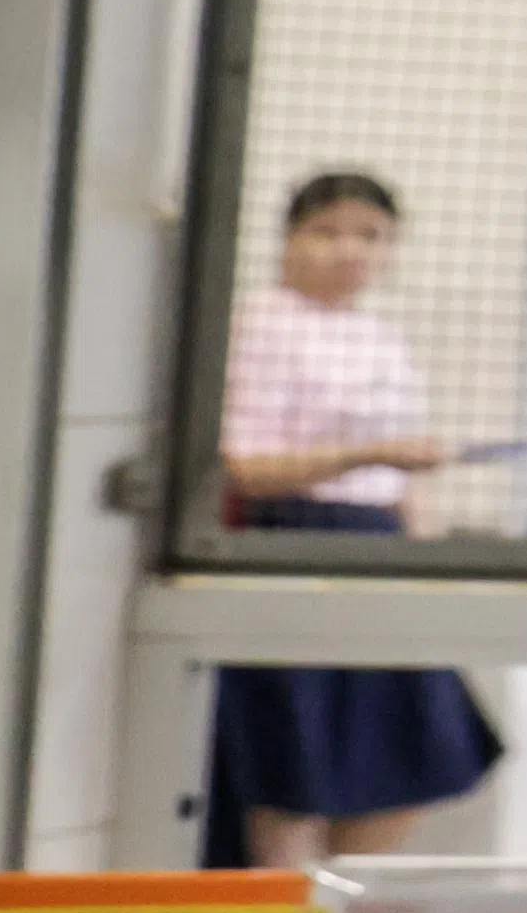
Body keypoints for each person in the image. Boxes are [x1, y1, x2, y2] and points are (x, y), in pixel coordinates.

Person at [201, 166, 495, 872]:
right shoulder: (261, 323)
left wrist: (425, 563)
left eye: (371, 236)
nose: (350, 251)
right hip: (288, 538)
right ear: (289, 239)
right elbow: (241, 463)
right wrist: (362, 452)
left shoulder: (379, 338)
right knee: (291, 766)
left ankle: (327, 900)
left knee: (429, 748)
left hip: (377, 546)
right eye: (327, 231)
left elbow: (400, 473)